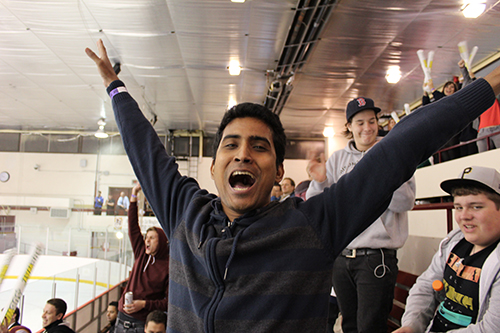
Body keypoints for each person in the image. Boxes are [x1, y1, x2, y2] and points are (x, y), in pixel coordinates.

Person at [86, 39, 500, 332]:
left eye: (259, 147)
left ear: (278, 167)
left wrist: (486, 87)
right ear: (213, 168)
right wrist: (114, 86)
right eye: (231, 144)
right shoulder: (183, 212)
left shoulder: (312, 225)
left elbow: (401, 149)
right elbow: (145, 149)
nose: (244, 153)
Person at [306, 97, 416, 333]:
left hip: (376, 258)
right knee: (350, 326)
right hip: (342, 256)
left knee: (370, 327)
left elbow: (405, 202)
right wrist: (320, 181)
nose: (367, 128)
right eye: (360, 123)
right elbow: (320, 206)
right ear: (349, 126)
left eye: (372, 121)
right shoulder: (337, 159)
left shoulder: (395, 152)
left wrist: (383, 173)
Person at [396, 166, 500, 332]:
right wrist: (411, 326)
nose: (464, 216)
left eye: (476, 207)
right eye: (458, 207)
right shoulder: (455, 241)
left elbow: (492, 328)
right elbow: (425, 286)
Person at [115, 183, 169, 332]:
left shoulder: (168, 266)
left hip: (142, 324)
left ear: (162, 242)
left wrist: (144, 304)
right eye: (146, 237)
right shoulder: (141, 254)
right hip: (121, 318)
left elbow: (167, 303)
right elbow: (133, 227)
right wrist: (134, 195)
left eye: (152, 238)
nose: (147, 241)